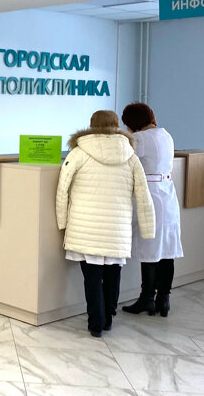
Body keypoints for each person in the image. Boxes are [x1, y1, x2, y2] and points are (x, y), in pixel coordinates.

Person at [55, 109, 155, 337]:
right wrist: (148, 229)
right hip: (117, 229)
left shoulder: (78, 153)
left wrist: (62, 222)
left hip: (84, 227)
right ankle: (108, 316)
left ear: (91, 125)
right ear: (117, 125)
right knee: (113, 274)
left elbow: (62, 190)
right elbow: (143, 194)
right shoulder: (131, 156)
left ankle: (95, 322)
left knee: (91, 278)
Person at [121, 102, 184, 318]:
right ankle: (163, 299)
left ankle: (147, 297)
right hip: (167, 194)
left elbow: (124, 161)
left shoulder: (139, 139)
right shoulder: (165, 135)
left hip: (150, 195)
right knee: (166, 250)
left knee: (149, 248)